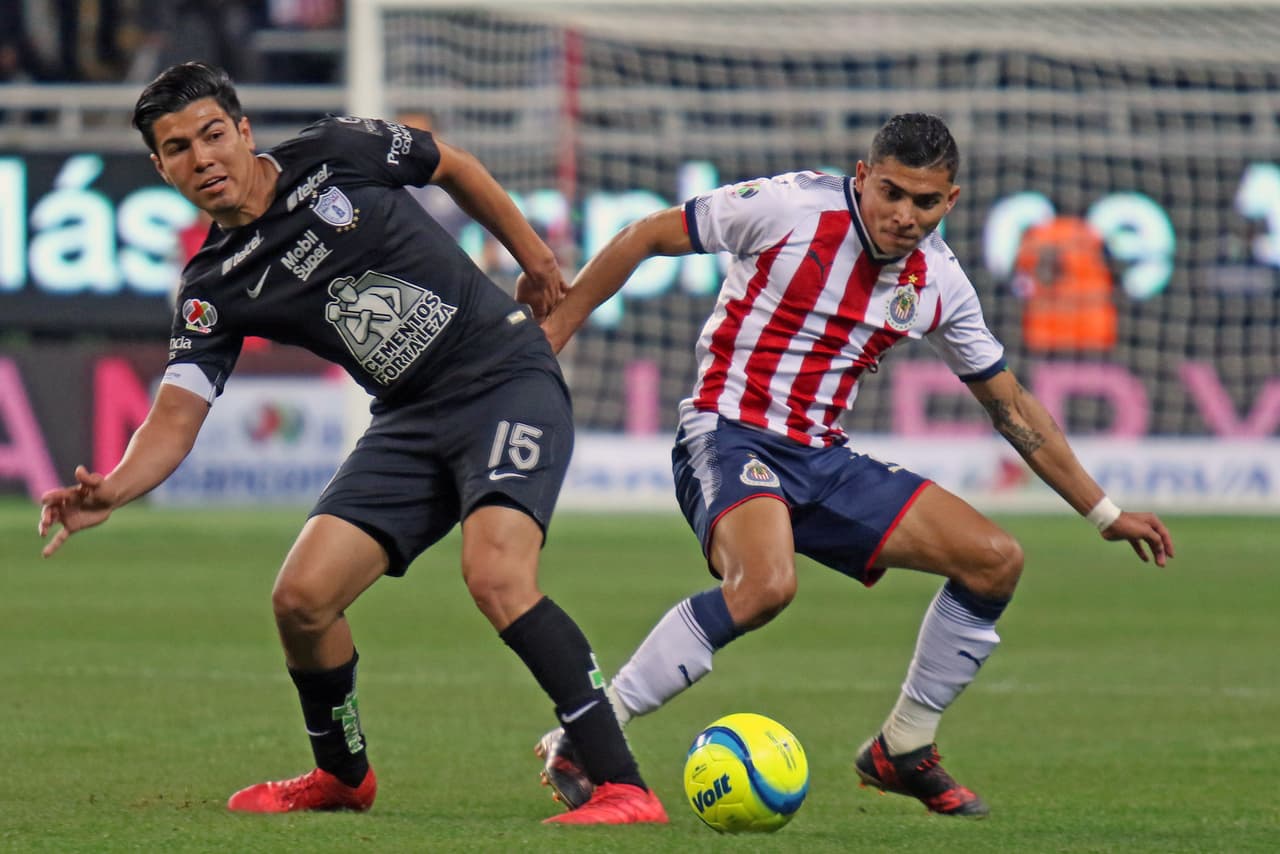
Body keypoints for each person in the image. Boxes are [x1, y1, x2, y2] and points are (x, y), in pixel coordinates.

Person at [36, 61, 666, 826]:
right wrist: (113, 486)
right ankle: (342, 777)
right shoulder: (214, 288)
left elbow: (454, 166)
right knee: (302, 600)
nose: (202, 158)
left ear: (243, 131)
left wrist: (535, 259)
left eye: (212, 134)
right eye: (178, 149)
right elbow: (175, 416)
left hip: (504, 376)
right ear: (160, 167)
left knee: (496, 574)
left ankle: (624, 787)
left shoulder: (335, 150)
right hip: (408, 419)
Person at [527, 113, 1174, 818]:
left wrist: (1104, 512)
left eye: (925, 202)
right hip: (728, 432)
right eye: (890, 193)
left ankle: (903, 747)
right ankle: (590, 734)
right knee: (764, 586)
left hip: (821, 458)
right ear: (862, 177)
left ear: (951, 200)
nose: (904, 216)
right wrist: (558, 327)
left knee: (994, 561)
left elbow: (1011, 405)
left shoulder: (940, 282)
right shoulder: (789, 209)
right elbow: (647, 234)